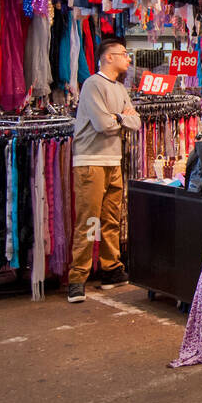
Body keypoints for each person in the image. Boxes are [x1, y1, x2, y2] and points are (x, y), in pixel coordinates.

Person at [68, 38, 141, 303]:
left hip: (112, 160)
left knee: (111, 218)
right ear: (108, 57)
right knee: (89, 220)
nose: (128, 59)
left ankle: (111, 269)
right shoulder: (92, 85)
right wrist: (121, 117)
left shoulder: (119, 88)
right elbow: (101, 124)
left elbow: (136, 121)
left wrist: (119, 118)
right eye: (124, 54)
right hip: (90, 160)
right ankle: (78, 277)